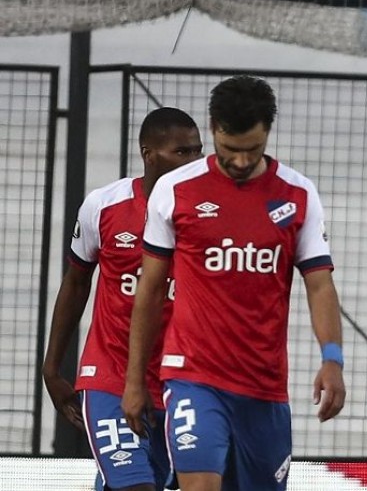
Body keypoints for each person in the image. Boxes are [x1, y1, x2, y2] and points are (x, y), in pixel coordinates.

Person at [121, 75, 346, 491]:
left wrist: (332, 359)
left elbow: (319, 285)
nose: (241, 162)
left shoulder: (298, 195)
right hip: (192, 376)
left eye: (252, 150)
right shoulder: (175, 190)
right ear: (213, 129)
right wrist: (135, 380)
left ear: (267, 134)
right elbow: (149, 292)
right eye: (230, 150)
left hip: (264, 386)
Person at [42, 107, 203, 491]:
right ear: (149, 154)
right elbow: (76, 284)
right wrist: (51, 369)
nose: (195, 161)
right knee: (135, 486)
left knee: (132, 482)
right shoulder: (103, 206)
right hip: (110, 376)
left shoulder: (205, 215)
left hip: (177, 383)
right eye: (182, 152)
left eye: (198, 151)